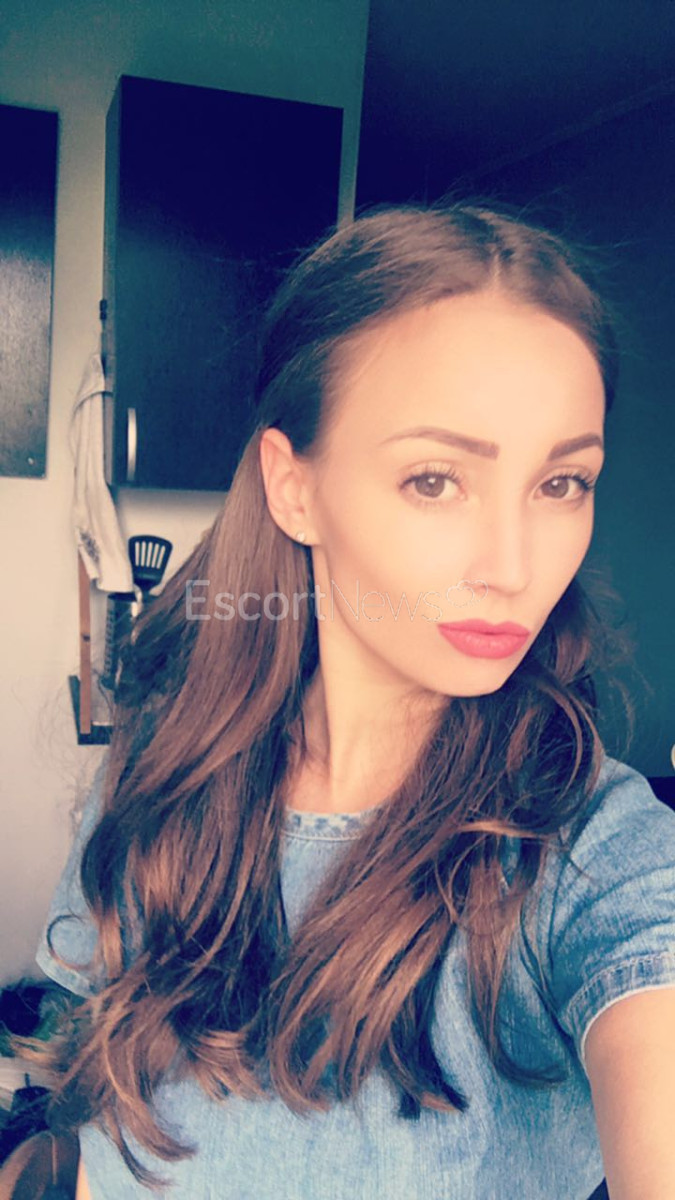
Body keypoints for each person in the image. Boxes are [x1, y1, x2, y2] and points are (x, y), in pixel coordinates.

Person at [19, 201, 675, 1199]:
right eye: (435, 480)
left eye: (561, 484)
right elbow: (93, 1114)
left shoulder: (591, 856)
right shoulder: (160, 771)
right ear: (294, 488)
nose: (514, 568)